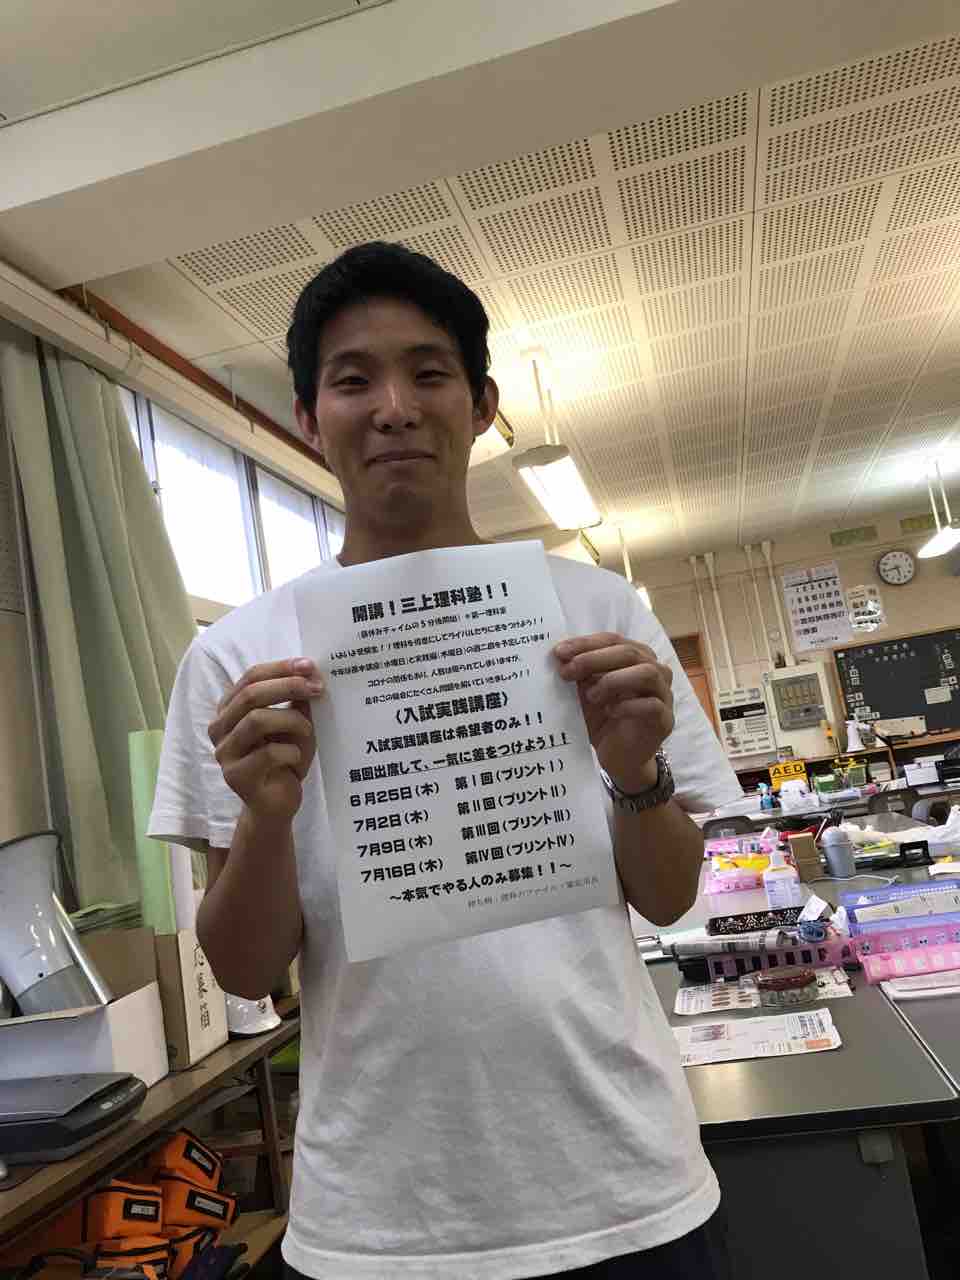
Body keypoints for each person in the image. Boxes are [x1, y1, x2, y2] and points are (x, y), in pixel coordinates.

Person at [149, 241, 742, 1279]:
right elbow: (244, 969)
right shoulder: (238, 659)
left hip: (626, 1185)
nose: (394, 408)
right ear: (308, 418)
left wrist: (635, 774)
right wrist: (268, 817)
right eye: (353, 380)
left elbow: (668, 896)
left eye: (428, 373)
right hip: (379, 1222)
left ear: (481, 406)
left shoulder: (597, 613)